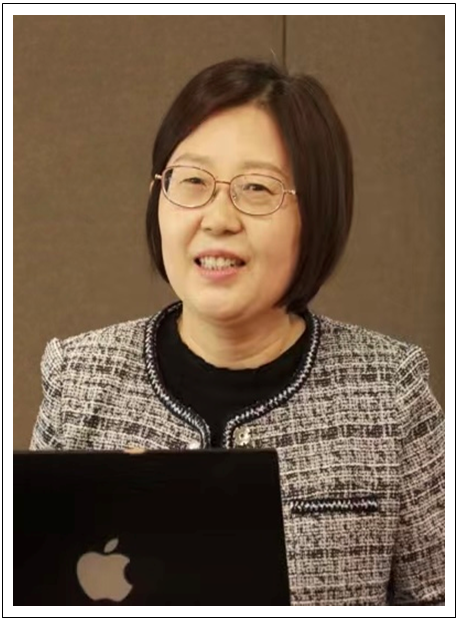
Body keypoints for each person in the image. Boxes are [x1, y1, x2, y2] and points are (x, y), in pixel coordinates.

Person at [30, 58, 444, 606]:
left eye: (256, 188)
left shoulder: (389, 393)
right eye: (192, 181)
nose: (218, 219)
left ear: (316, 212)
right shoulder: (79, 381)